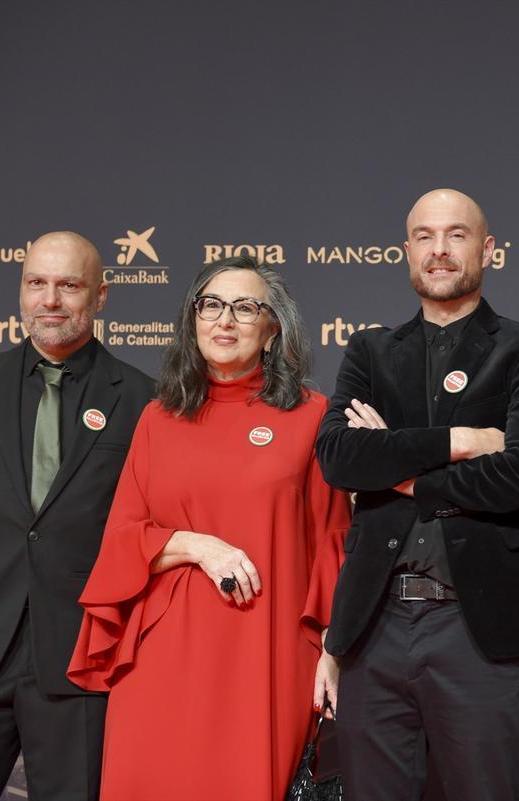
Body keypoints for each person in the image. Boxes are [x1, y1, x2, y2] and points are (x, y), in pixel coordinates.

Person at [315, 188, 519, 801]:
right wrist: (463, 439)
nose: (440, 250)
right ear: (406, 250)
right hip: (373, 626)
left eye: (457, 235)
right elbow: (339, 458)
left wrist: (400, 467)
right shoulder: (370, 351)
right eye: (425, 237)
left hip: (477, 624)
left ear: (487, 249)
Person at [67, 255, 350, 801]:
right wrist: (197, 546)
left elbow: (333, 544)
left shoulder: (312, 416)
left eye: (245, 308)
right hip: (162, 658)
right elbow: (123, 539)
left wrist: (333, 656)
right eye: (212, 306)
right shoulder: (158, 418)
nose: (225, 320)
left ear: (272, 330)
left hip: (266, 655)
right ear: (193, 320)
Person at [0, 231, 154, 800]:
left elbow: (150, 536)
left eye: (68, 285)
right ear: (21, 290)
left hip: (81, 663)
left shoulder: (144, 400)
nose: (50, 300)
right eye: (37, 283)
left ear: (100, 296)